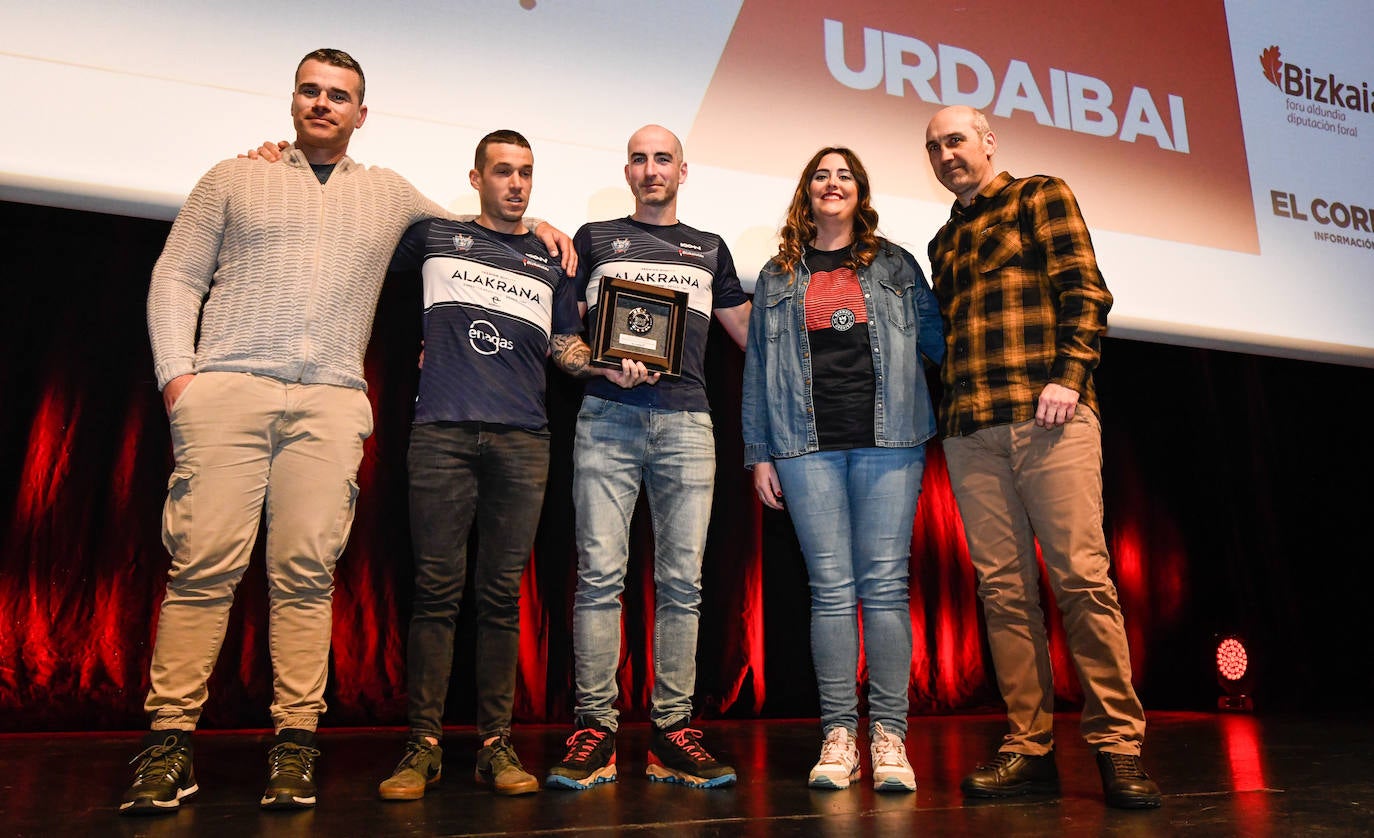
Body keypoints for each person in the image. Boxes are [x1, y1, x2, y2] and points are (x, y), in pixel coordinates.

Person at [123, 49, 572, 816]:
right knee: (202, 568)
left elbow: (475, 225)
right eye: (312, 91)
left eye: (341, 96)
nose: (324, 104)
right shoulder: (234, 176)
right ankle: (169, 743)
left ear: (362, 114)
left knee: (305, 573)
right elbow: (176, 277)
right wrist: (179, 383)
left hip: (330, 401)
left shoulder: (390, 194)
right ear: (293, 101)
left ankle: (295, 744)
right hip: (226, 388)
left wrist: (538, 227)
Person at [374, 130, 648, 801]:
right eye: (503, 172)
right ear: (476, 178)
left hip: (524, 441)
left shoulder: (551, 258)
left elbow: (565, 347)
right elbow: (367, 232)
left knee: (500, 598)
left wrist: (606, 364)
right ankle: (423, 746)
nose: (517, 184)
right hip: (440, 433)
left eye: (526, 173)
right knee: (437, 592)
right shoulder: (434, 235)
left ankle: (496, 744)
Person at [922, 105, 1162, 809]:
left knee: (1083, 581)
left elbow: (1086, 292)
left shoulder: (1039, 195)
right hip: (970, 431)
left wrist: (1070, 375)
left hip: (1048, 417)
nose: (946, 154)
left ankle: (1119, 748)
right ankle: (1028, 748)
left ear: (988, 142)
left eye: (956, 140)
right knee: (1003, 594)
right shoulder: (942, 242)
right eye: (934, 147)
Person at [544, 124, 751, 791]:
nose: (651, 168)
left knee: (682, 584)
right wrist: (600, 369)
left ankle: (672, 729)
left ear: (682, 172)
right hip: (607, 419)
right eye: (640, 158)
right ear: (627, 171)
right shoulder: (595, 239)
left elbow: (753, 335)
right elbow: (563, 338)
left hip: (689, 425)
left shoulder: (710, 248)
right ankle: (594, 728)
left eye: (664, 158)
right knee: (601, 577)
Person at [741, 147, 943, 792]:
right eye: (821, 175)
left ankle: (888, 737)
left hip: (891, 441)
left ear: (861, 192)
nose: (833, 184)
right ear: (808, 191)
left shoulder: (896, 264)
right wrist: (758, 452)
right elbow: (755, 373)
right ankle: (838, 736)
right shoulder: (777, 275)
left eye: (845, 176)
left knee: (883, 587)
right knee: (830, 590)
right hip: (805, 445)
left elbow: (940, 342)